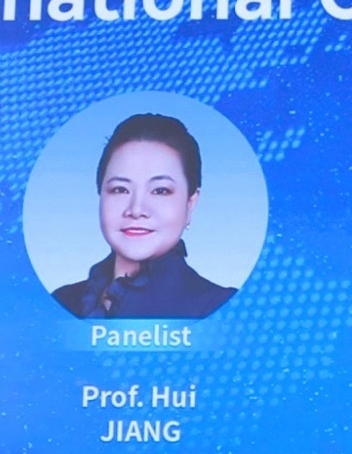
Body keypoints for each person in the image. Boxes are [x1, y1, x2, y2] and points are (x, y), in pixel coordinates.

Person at [55, 111, 237, 318]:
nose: (136, 210)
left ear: (190, 203)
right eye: (120, 189)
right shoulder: (62, 302)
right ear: (100, 195)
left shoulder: (223, 308)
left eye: (160, 191)